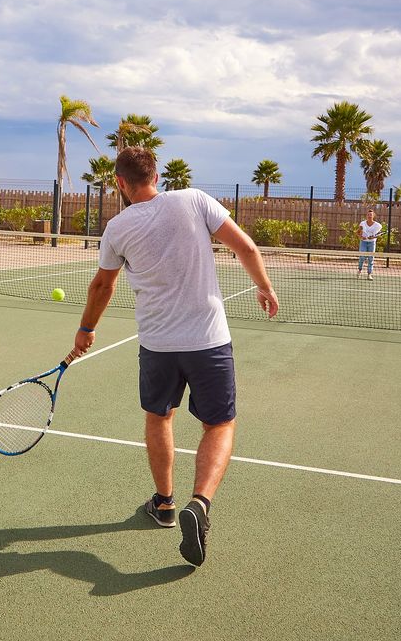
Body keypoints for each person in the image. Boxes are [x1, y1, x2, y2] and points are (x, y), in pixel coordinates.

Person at [72, 147, 278, 568]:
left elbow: (101, 288)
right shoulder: (195, 199)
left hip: (158, 345)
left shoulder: (116, 228)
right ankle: (199, 503)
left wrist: (86, 329)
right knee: (219, 424)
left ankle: (164, 504)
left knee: (159, 417)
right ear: (157, 174)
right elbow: (245, 246)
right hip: (209, 342)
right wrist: (265, 286)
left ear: (120, 183)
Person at [357, 208, 382, 280]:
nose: (369, 216)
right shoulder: (362, 223)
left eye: (371, 215)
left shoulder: (378, 225)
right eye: (368, 215)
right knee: (362, 257)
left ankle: (369, 274)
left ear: (373, 215)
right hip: (363, 243)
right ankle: (359, 270)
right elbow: (358, 232)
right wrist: (361, 237)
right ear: (366, 216)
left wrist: (373, 237)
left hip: (372, 243)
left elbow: (378, 234)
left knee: (371, 259)